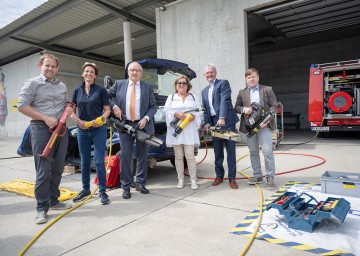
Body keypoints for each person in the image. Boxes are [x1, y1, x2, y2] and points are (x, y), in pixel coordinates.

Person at [18, 54, 73, 224]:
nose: (50, 69)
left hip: (61, 130)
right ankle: (41, 208)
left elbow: (64, 103)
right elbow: (22, 106)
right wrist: (45, 117)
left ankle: (54, 200)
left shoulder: (62, 85)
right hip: (41, 128)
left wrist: (68, 109)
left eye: (53, 66)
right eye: (47, 65)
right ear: (40, 65)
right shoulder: (32, 83)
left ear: (57, 68)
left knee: (58, 167)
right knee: (43, 169)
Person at [108, 61, 157, 199]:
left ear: (141, 73)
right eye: (132, 70)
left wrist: (146, 118)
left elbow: (153, 107)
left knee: (142, 155)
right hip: (125, 125)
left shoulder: (147, 87)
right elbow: (105, 96)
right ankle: (126, 186)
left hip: (142, 125)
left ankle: (140, 183)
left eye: (138, 70)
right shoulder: (119, 84)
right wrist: (114, 106)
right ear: (128, 72)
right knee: (125, 156)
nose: (135, 72)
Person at [70, 62, 111, 205]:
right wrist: (77, 121)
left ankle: (102, 191)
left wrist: (101, 120)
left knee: (99, 161)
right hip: (82, 130)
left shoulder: (101, 91)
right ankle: (85, 189)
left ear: (95, 75)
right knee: (84, 161)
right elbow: (71, 111)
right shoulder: (77, 91)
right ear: (83, 74)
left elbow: (107, 110)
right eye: (86, 71)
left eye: (92, 72)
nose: (89, 74)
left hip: (99, 129)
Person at [234, 68, 278, 190]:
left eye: (253, 76)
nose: (251, 79)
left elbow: (274, 106)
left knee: (267, 151)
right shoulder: (242, 92)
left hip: (264, 126)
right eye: (248, 77)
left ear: (258, 77)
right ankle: (257, 175)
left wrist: (267, 119)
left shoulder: (266, 89)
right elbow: (236, 107)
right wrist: (244, 109)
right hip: (249, 127)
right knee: (253, 152)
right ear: (246, 80)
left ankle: (270, 177)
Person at [201, 64, 239, 189]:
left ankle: (232, 178)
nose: (209, 75)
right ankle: (219, 176)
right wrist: (206, 122)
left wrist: (222, 117)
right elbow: (205, 109)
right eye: (207, 73)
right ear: (204, 75)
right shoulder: (204, 91)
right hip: (213, 123)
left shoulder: (223, 83)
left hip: (226, 121)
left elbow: (224, 99)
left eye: (211, 72)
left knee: (231, 151)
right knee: (217, 151)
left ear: (215, 73)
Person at [163, 76, 202, 190]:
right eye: (179, 83)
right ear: (176, 85)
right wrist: (176, 113)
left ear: (187, 85)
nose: (181, 85)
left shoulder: (193, 97)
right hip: (176, 131)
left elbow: (200, 111)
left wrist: (194, 116)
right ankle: (180, 179)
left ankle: (193, 180)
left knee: (190, 156)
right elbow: (165, 111)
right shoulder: (171, 97)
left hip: (189, 130)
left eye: (184, 83)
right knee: (179, 156)